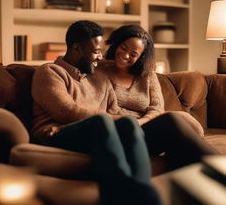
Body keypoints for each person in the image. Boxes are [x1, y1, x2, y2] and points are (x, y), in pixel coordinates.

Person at [31, 20, 216, 172]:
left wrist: (138, 121)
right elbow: (67, 111)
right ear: (77, 49)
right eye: (96, 51)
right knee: (108, 123)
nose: (100, 56)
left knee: (170, 124)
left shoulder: (98, 78)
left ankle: (214, 173)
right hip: (59, 134)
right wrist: (121, 121)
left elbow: (116, 110)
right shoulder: (50, 72)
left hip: (102, 133)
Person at [97, 24, 217, 168]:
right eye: (123, 47)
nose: (126, 55)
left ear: (141, 57)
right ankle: (219, 168)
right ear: (117, 44)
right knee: (171, 120)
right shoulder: (101, 72)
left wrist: (141, 123)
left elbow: (157, 108)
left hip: (146, 128)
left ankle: (209, 176)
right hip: (122, 131)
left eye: (134, 54)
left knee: (180, 148)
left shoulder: (147, 76)